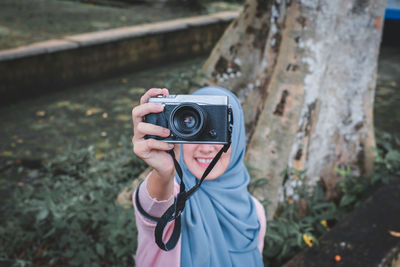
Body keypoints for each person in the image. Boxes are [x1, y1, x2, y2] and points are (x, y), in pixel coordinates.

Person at [132, 86, 266, 267]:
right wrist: (163, 173)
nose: (205, 148)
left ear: (237, 138)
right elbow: (154, 207)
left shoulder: (255, 212)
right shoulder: (171, 194)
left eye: (215, 133)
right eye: (194, 132)